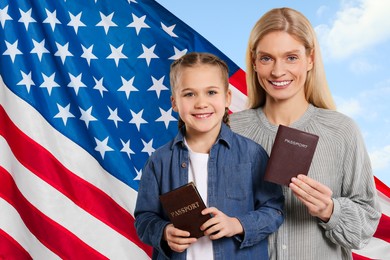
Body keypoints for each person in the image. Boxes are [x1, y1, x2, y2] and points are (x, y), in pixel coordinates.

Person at [230, 7, 381, 260]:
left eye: (291, 57)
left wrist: (330, 209)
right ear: (254, 61)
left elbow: (366, 225)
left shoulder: (342, 131)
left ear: (310, 59)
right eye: (267, 58)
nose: (278, 71)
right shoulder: (230, 130)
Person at [134, 52, 284, 260]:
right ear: (174, 102)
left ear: (227, 98)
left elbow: (274, 210)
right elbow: (144, 218)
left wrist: (237, 224)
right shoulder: (159, 161)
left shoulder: (252, 154)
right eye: (189, 94)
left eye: (211, 92)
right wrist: (164, 232)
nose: (201, 103)